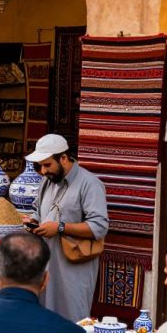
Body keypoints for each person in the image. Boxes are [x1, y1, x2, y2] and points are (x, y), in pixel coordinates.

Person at [24, 133, 109, 321]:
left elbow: (99, 227)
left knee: (73, 319)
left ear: (63, 158)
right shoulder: (47, 181)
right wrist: (33, 221)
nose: (43, 171)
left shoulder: (90, 184)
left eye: (47, 165)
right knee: (44, 318)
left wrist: (60, 227)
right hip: (46, 263)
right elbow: (38, 210)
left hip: (73, 266)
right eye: (40, 166)